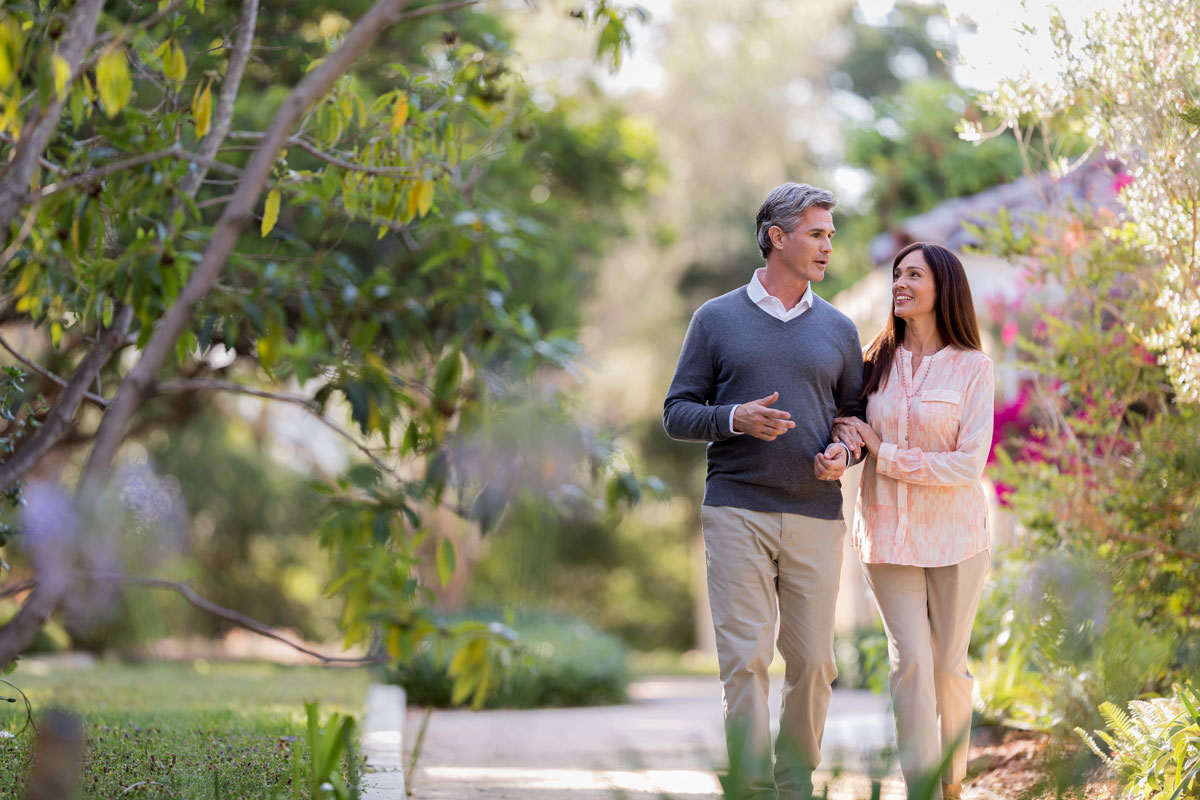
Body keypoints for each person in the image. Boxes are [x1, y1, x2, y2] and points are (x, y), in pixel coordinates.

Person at [663, 182, 865, 800]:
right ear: (777, 237)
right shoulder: (716, 319)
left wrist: (844, 453)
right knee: (745, 660)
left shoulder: (839, 328)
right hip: (737, 510)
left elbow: (853, 417)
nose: (829, 244)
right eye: (817, 232)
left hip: (815, 512)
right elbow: (676, 412)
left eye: (830, 233)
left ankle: (795, 783)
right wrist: (733, 418)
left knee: (814, 665)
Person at [832, 241, 993, 800]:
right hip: (886, 535)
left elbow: (968, 464)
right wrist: (847, 441)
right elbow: (848, 423)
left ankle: (952, 783)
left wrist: (886, 452)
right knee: (911, 665)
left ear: (942, 287)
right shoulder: (873, 360)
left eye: (913, 274)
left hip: (956, 539)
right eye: (897, 274)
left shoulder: (974, 367)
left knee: (949, 669)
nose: (899, 283)